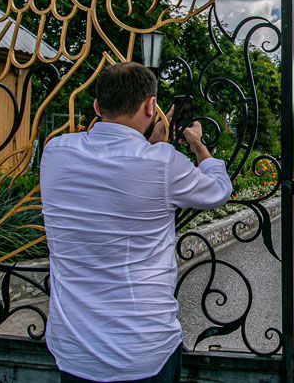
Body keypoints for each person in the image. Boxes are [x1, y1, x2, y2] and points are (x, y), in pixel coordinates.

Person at [40, 62, 233, 382]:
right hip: (142, 350)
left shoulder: (56, 153)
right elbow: (218, 191)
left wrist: (152, 147)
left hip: (74, 351)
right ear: (149, 105)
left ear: (97, 106)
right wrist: (197, 143)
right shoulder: (161, 162)